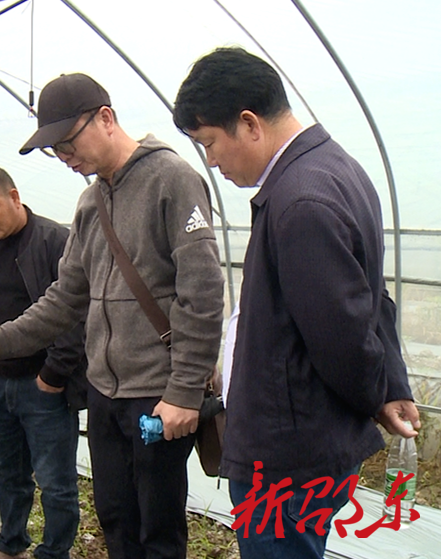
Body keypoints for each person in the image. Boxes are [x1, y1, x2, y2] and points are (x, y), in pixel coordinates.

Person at [0, 74, 225, 559]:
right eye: (56, 149)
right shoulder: (91, 203)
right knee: (115, 513)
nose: (65, 157)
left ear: (106, 118)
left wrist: (183, 391)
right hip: (104, 391)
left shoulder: (171, 179)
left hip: (157, 394)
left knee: (156, 524)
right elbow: (65, 297)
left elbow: (202, 293)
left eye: (69, 142)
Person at [172, 47, 420, 558]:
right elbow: (375, 296)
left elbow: (344, 336)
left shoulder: (301, 199)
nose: (212, 161)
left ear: (249, 123)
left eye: (210, 144)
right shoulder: (336, 169)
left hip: (288, 452)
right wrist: (391, 384)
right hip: (307, 442)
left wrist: (377, 393)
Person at [0, 165, 87, 559]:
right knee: (7, 473)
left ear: (14, 197)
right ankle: (10, 543)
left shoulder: (53, 241)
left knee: (55, 480)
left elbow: (74, 312)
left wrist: (53, 374)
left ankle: (54, 551)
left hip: (42, 385)